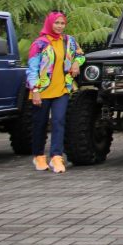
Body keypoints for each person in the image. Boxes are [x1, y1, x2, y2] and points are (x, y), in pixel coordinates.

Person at [26, 11, 84, 174]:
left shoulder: (68, 41)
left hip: (61, 89)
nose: (59, 26)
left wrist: (76, 64)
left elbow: (80, 55)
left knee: (59, 121)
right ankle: (38, 155)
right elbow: (32, 69)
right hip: (42, 91)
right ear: (49, 23)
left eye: (62, 23)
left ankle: (56, 156)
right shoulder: (40, 44)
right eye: (56, 23)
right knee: (40, 124)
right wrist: (35, 90)